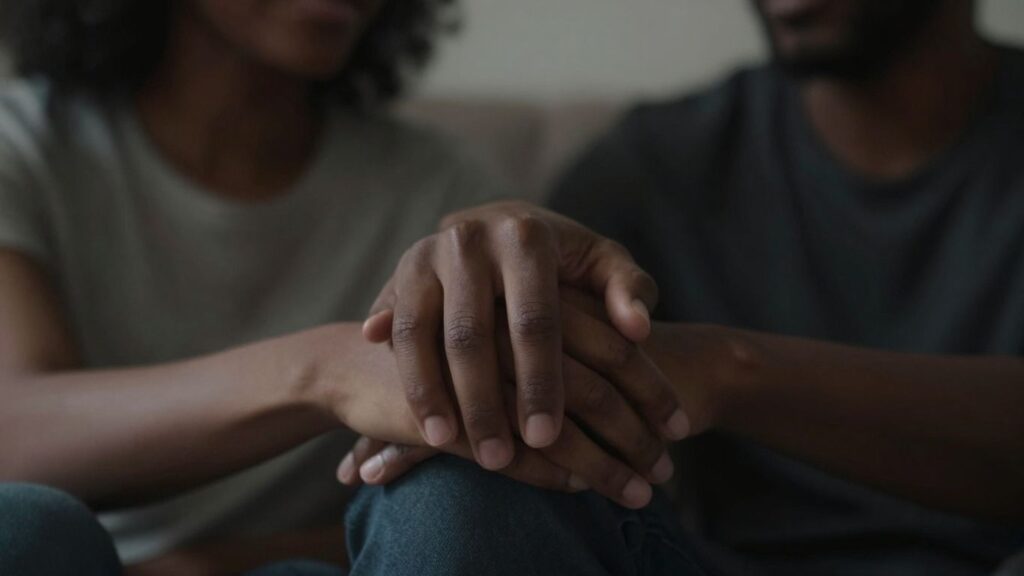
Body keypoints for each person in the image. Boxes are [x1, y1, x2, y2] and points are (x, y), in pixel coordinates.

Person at [340, 0, 1024, 574]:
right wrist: (490, 292)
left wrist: (726, 370)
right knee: (459, 470)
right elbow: (516, 337)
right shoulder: (661, 162)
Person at [0, 0, 672, 573]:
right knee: (25, 524)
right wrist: (326, 372)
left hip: (317, 564)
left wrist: (215, 564)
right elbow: (16, 430)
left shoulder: (439, 188)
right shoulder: (24, 146)